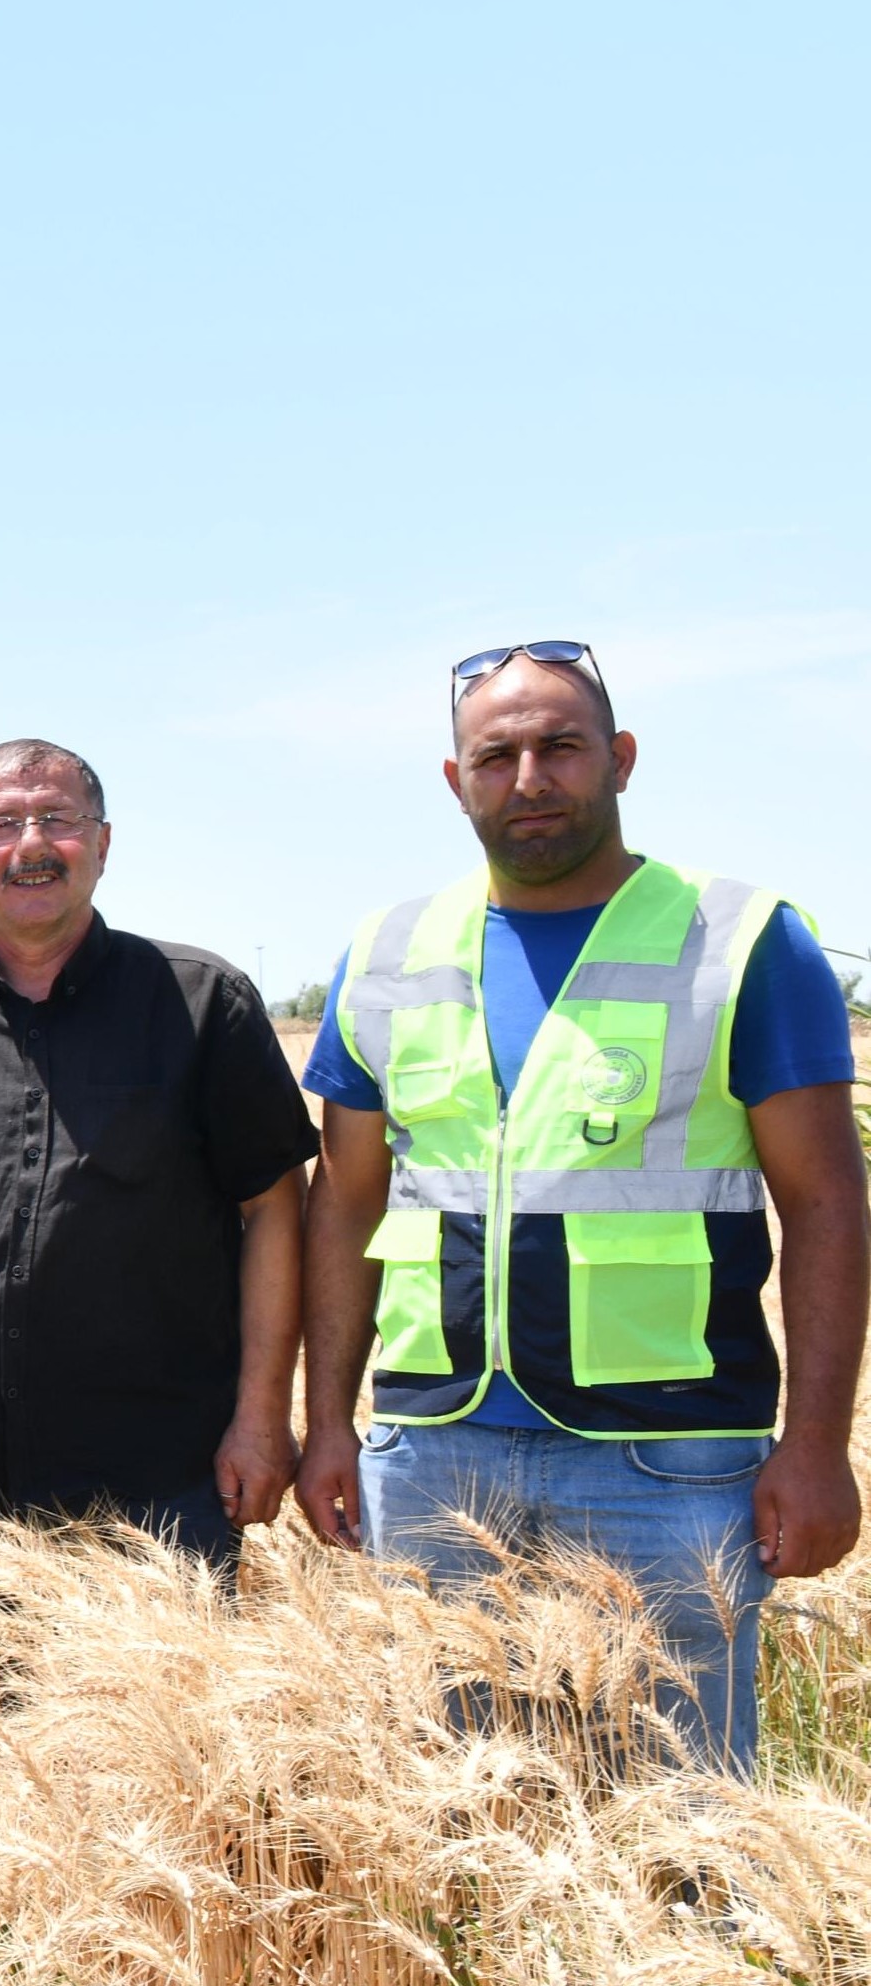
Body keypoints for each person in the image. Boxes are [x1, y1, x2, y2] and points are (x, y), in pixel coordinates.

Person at [299, 643, 861, 1769]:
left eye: (559, 746)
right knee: (452, 1811)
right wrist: (325, 1425)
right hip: (432, 1450)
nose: (529, 776)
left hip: (668, 1459)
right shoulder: (387, 952)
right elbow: (343, 1203)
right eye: (494, 754)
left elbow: (826, 1199)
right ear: (455, 782)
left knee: (683, 1823)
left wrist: (815, 1444)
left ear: (620, 758)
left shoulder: (740, 940)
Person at [0, 742, 315, 1569]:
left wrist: (263, 1414)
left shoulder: (204, 1003)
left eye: (58, 819)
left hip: (165, 1468)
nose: (31, 844)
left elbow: (274, 1209)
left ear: (103, 843)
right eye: (2, 824)